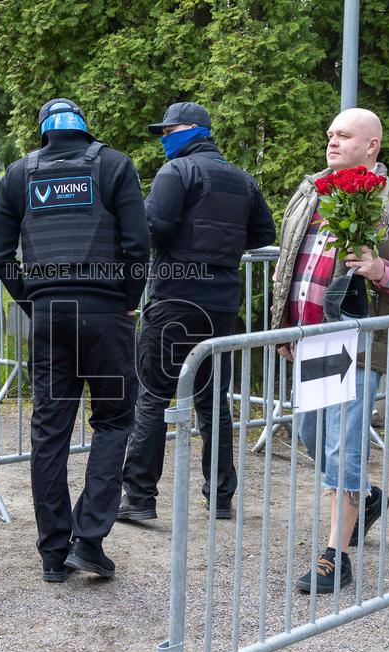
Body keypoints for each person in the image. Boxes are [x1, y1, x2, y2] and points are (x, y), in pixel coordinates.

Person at [270, 107, 389, 593]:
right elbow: (289, 266)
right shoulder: (310, 191)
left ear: (372, 145)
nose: (332, 141)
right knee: (309, 433)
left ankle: (334, 558)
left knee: (343, 447)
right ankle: (364, 498)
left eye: (343, 135)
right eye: (330, 134)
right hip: (310, 340)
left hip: (361, 343)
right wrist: (284, 330)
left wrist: (380, 270)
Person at [0, 98, 150, 582]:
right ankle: (89, 540)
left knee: (50, 433)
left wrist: (32, 302)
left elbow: (1, 253)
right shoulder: (114, 165)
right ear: (84, 128)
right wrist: (128, 300)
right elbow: (138, 245)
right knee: (113, 422)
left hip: (49, 315)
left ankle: (53, 554)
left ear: (44, 132)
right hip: (105, 314)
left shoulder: (19, 174)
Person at [117, 102, 275, 523]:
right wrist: (222, 245)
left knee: (152, 394)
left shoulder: (177, 171)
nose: (164, 138)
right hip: (220, 303)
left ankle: (139, 498)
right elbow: (264, 232)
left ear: (193, 130)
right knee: (213, 400)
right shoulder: (242, 178)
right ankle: (220, 497)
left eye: (170, 131)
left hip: (174, 297)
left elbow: (154, 227)